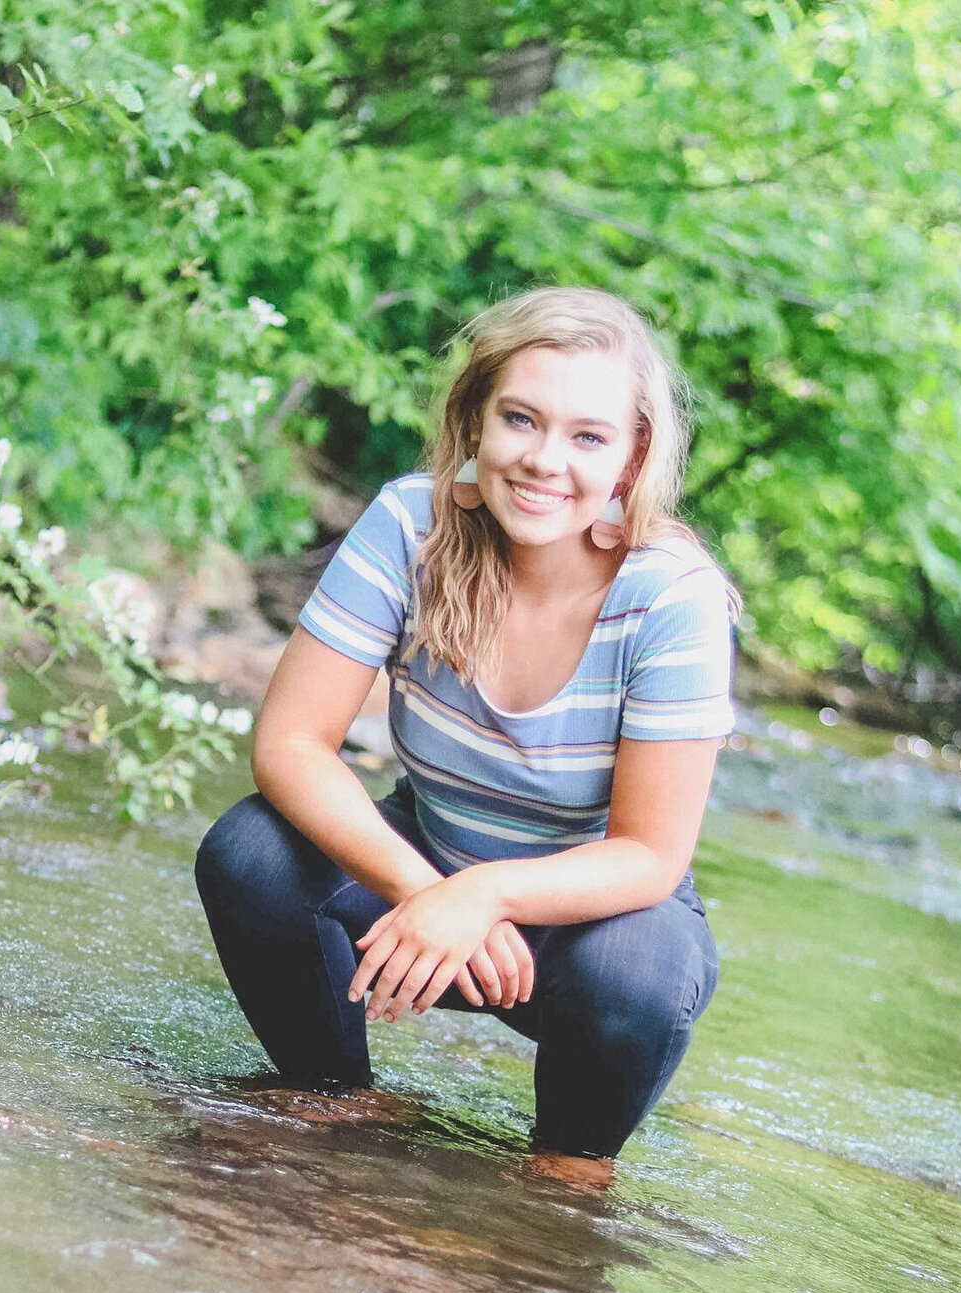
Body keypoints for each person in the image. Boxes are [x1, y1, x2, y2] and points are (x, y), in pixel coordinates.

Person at [195, 286, 735, 1187]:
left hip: (587, 930)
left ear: (634, 454)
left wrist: (482, 895)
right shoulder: (412, 524)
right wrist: (426, 889)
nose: (544, 460)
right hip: (420, 873)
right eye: (521, 418)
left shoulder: (671, 596)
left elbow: (649, 853)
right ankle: (338, 1112)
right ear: (474, 418)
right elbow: (289, 743)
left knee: (639, 975)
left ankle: (560, 1188)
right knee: (252, 852)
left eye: (588, 437)